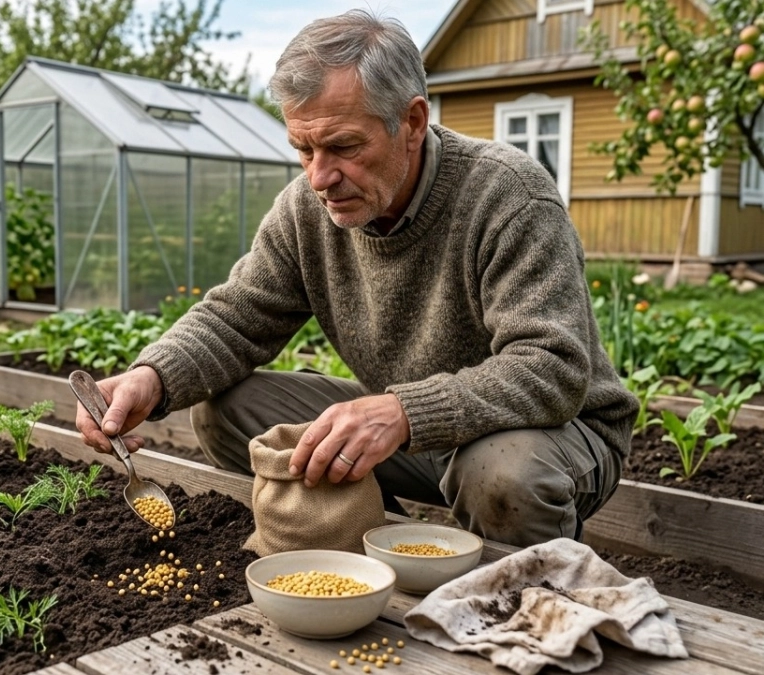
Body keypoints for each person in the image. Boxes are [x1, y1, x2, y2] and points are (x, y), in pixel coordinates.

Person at [75, 9, 637, 548]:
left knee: (499, 476)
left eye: (343, 146)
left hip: (555, 434)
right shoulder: (306, 210)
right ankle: (382, 542)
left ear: (412, 123)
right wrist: (151, 375)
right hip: (422, 436)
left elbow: (552, 368)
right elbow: (237, 317)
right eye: (303, 148)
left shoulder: (508, 194)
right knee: (228, 410)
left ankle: (525, 585)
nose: (321, 176)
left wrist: (401, 412)